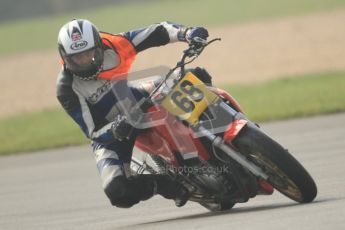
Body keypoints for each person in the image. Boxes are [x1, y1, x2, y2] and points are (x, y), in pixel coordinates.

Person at [56, 19, 209, 208]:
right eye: (77, 58)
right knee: (117, 191)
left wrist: (187, 33)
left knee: (196, 77)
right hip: (112, 133)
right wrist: (116, 128)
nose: (84, 61)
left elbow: (157, 32)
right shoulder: (66, 88)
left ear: (99, 46)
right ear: (65, 56)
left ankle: (222, 135)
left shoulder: (114, 45)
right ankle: (161, 184)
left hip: (137, 100)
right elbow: (93, 131)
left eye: (89, 53)